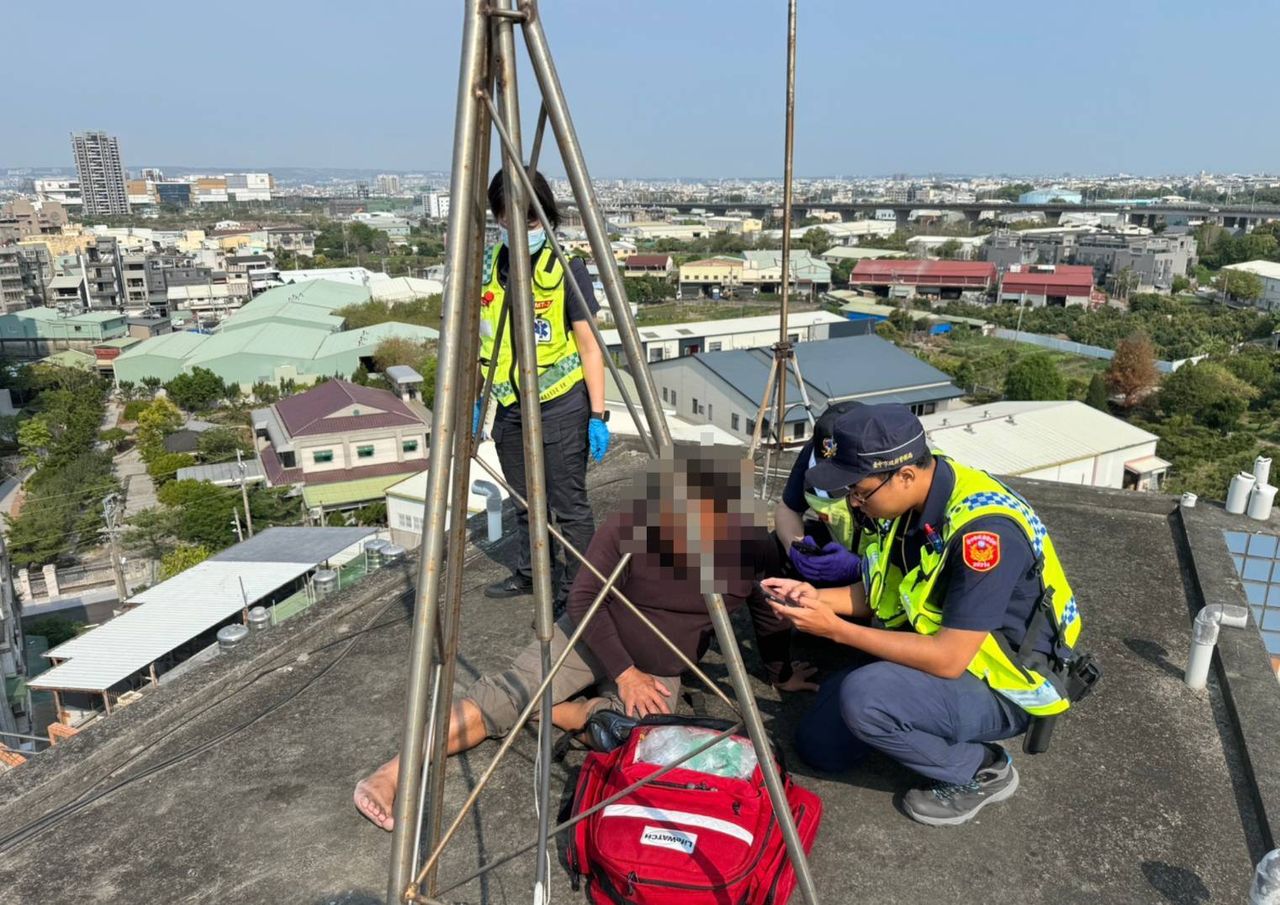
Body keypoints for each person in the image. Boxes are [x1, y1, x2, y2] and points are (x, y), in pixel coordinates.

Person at [355, 448, 817, 831]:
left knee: (642, 743)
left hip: (661, 663)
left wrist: (780, 673)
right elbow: (584, 596)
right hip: (593, 632)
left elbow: (767, 606)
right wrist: (625, 673)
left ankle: (555, 710)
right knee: (503, 694)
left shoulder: (752, 546)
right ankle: (393, 772)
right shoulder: (634, 523)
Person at [763, 403, 1084, 827]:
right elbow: (883, 595)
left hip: (1002, 682)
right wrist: (815, 600)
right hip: (947, 655)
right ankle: (905, 720)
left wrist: (836, 630)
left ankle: (982, 768)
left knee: (864, 698)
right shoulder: (910, 503)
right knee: (818, 747)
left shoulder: (983, 537)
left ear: (906, 475)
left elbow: (948, 658)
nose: (855, 505)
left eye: (859, 492)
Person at [478, 168, 609, 608]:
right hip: (510, 405)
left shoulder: (565, 267)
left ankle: (581, 594)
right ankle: (534, 573)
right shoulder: (492, 266)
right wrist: (479, 402)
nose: (518, 230)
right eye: (506, 220)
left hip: (560, 405)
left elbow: (590, 347)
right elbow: (484, 339)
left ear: (545, 216)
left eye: (529, 221)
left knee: (568, 505)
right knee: (524, 502)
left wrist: (597, 413)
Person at [770, 400, 866, 587]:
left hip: (884, 574)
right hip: (838, 555)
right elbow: (788, 508)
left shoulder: (897, 474)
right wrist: (796, 550)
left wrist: (861, 567)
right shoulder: (815, 450)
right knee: (768, 546)